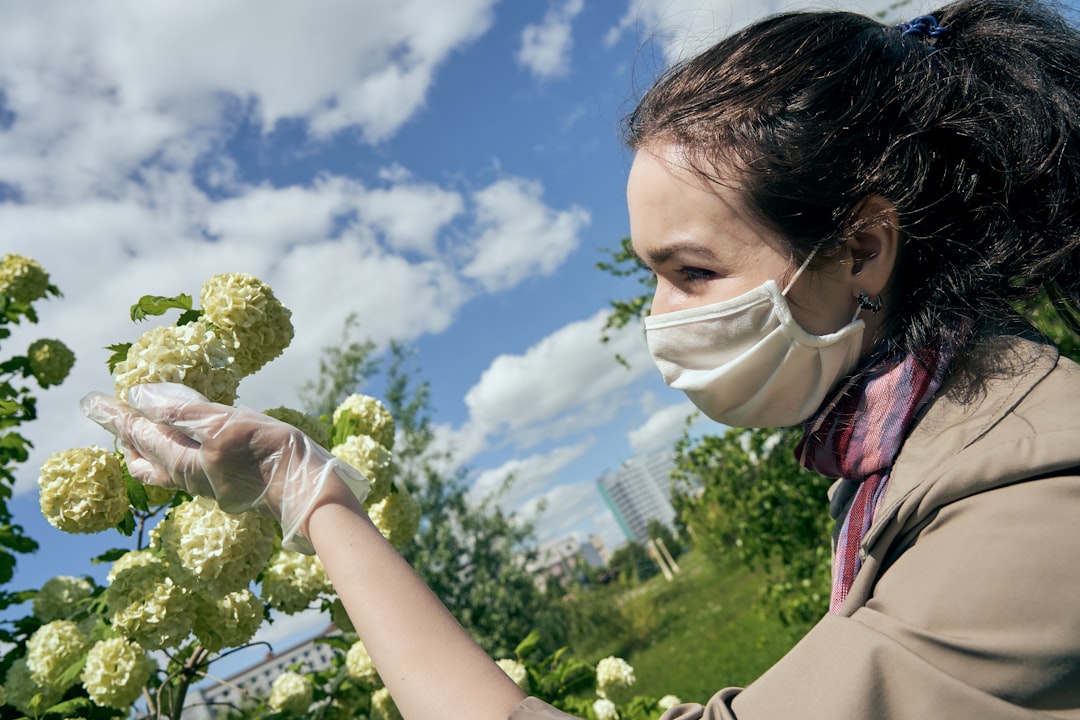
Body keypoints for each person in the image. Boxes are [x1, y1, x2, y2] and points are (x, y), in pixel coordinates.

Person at [80, 0, 1080, 717]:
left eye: (691, 271)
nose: (658, 319)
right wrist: (303, 487)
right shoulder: (906, 458)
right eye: (650, 274)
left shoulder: (1031, 491)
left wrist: (315, 499)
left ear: (862, 247)